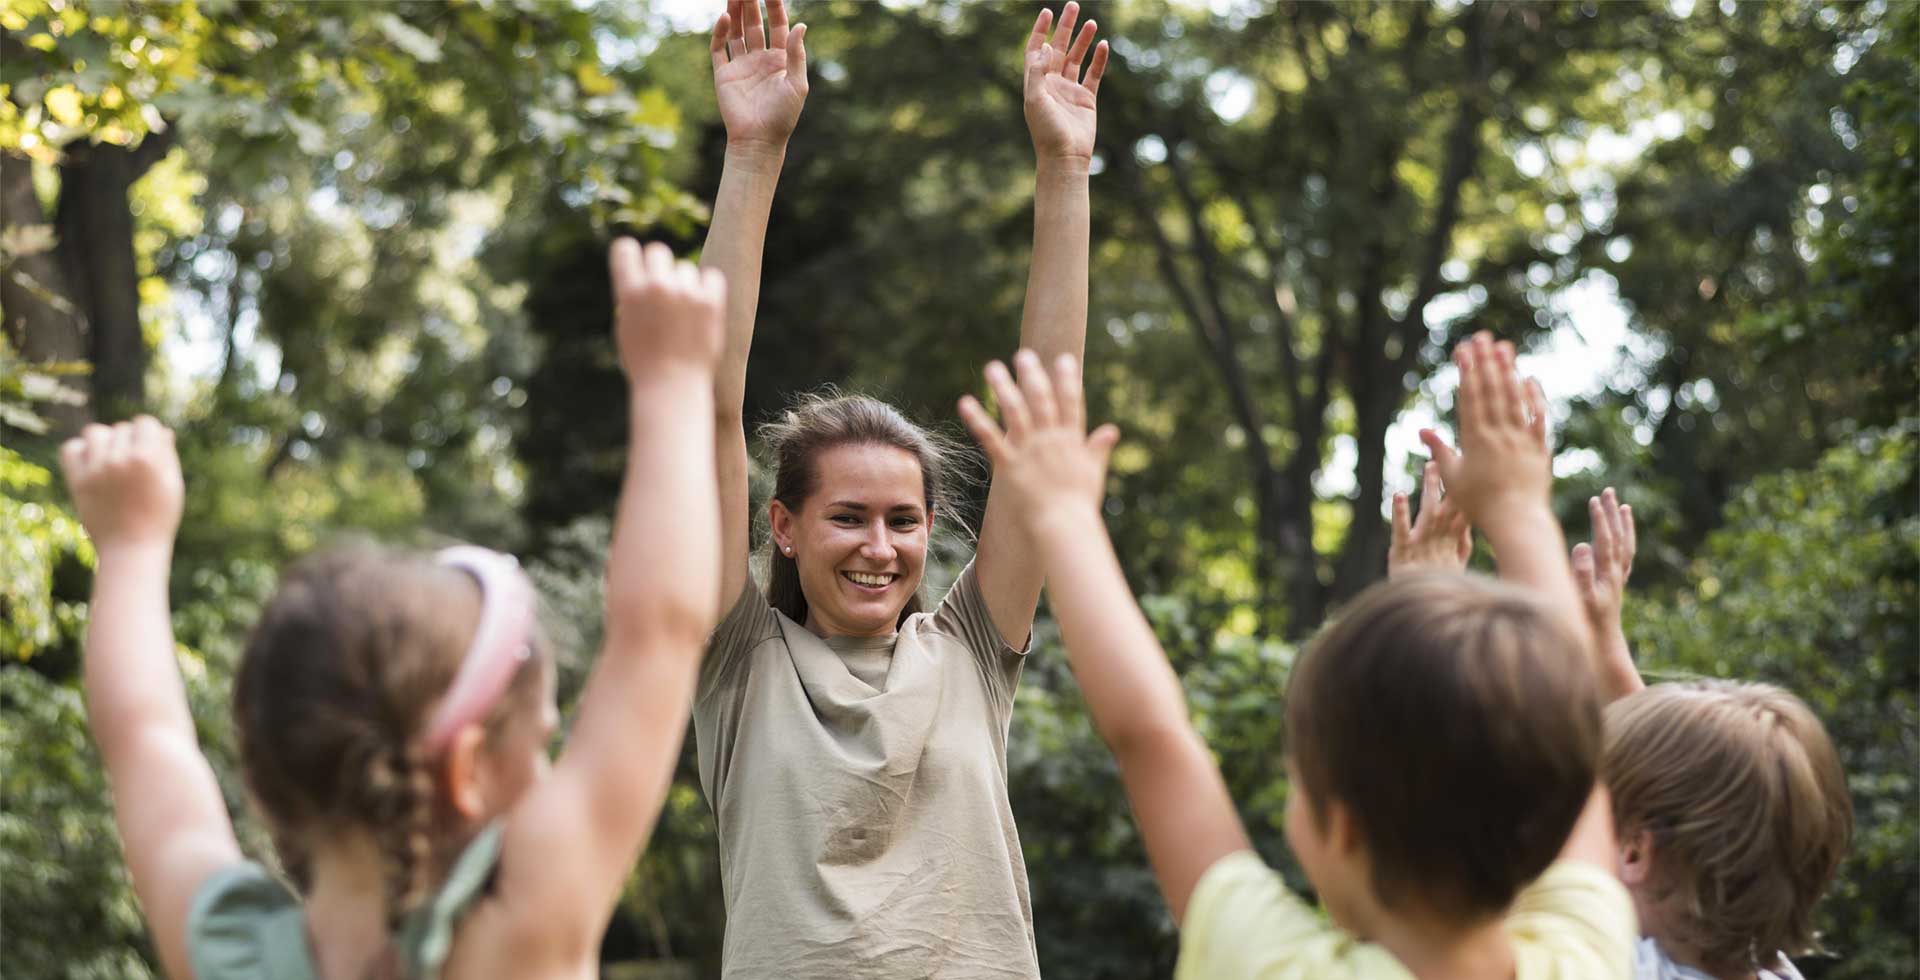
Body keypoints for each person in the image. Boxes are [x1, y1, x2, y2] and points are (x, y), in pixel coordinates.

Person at [59, 240, 726, 979]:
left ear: (267, 777)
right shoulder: (518, 935)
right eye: (538, 750)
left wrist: (127, 545)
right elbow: (656, 634)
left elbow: (145, 737)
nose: (547, 776)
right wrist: (674, 376)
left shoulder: (227, 951)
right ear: (467, 770)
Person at [957, 333, 1637, 979]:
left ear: (1339, 827)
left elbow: (1153, 739)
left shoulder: (1268, 964)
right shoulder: (1588, 954)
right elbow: (1150, 738)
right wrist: (1516, 510)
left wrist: (1062, 516)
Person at [691, 2, 1108, 976]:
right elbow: (704, 409)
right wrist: (752, 155)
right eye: (848, 516)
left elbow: (1047, 406)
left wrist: (1064, 169)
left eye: (904, 519)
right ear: (783, 525)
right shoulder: (739, 659)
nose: (881, 545)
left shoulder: (967, 651)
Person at [1564, 494, 1853, 980]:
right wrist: (1604, 639)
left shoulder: (1605, 963)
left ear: (1635, 851)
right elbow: (1684, 772)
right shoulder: (1772, 971)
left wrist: (1514, 512)